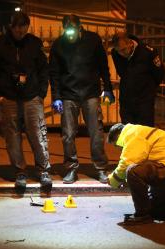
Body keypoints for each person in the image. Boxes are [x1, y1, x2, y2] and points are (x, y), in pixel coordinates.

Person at [0, 12, 52, 190]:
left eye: (24, 28)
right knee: (13, 137)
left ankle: (43, 170)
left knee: (38, 134)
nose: (21, 32)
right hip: (9, 97)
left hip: (32, 97)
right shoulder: (0, 44)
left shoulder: (34, 43)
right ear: (11, 27)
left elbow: (43, 70)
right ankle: (20, 171)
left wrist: (41, 93)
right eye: (18, 28)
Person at [49, 14, 115, 184]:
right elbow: (54, 73)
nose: (70, 36)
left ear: (80, 27)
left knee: (96, 132)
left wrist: (107, 87)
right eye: (67, 32)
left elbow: (103, 65)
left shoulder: (93, 40)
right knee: (68, 134)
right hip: (68, 94)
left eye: (72, 31)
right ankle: (71, 168)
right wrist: (56, 97)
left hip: (90, 92)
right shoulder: (58, 45)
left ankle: (100, 167)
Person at [111, 32, 165, 126]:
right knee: (128, 132)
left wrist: (149, 90)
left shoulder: (148, 52)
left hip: (144, 100)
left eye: (123, 50)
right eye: (118, 51)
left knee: (145, 132)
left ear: (130, 43)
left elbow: (159, 73)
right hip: (126, 100)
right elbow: (122, 73)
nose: (121, 54)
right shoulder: (115, 53)